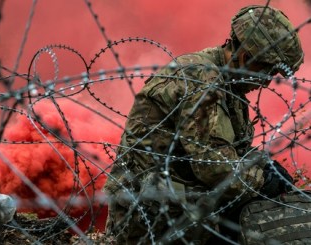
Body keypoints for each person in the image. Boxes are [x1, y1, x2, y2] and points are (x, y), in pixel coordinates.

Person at [103, 5, 304, 244]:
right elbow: (215, 166)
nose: (268, 83)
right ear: (245, 57)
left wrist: (264, 164)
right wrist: (262, 180)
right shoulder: (202, 81)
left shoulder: (227, 84)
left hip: (177, 200)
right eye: (267, 72)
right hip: (149, 214)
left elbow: (232, 149)